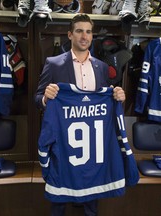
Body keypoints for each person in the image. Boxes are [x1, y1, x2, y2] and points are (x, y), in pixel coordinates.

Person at [34, 13, 126, 216]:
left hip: (92, 145)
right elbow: (37, 97)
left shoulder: (102, 68)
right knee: (59, 198)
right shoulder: (54, 63)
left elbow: (105, 103)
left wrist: (118, 96)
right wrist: (45, 98)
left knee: (92, 198)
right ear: (70, 34)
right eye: (79, 31)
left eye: (88, 31)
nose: (84, 36)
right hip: (63, 144)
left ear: (92, 36)